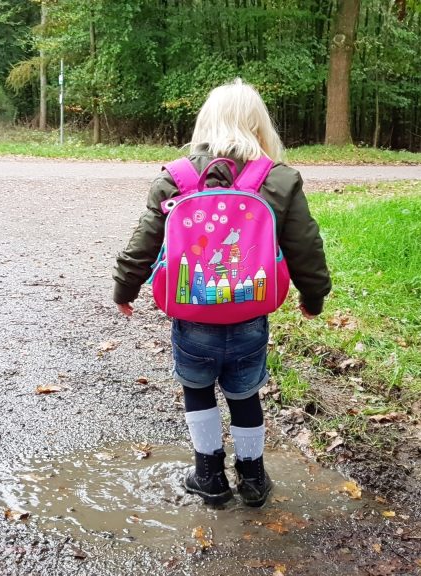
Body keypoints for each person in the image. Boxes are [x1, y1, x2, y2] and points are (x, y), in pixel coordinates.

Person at [113, 79, 331, 507]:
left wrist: (125, 286)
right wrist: (314, 295)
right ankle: (253, 478)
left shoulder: (177, 178)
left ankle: (209, 476)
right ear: (260, 126)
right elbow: (306, 245)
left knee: (197, 389)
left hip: (193, 316)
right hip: (250, 314)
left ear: (206, 121)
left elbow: (144, 241)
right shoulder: (278, 179)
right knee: (244, 392)